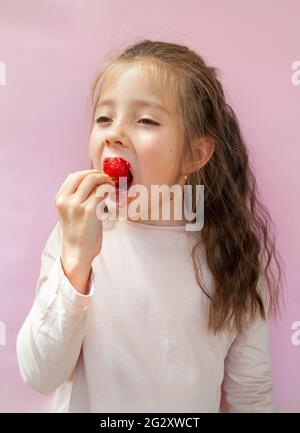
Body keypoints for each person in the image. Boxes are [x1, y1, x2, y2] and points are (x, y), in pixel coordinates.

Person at [16, 39, 284, 413]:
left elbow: (252, 396)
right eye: (104, 118)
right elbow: (40, 373)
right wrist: (76, 259)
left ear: (195, 154)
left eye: (145, 120)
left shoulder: (232, 256)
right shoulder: (75, 234)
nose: (113, 134)